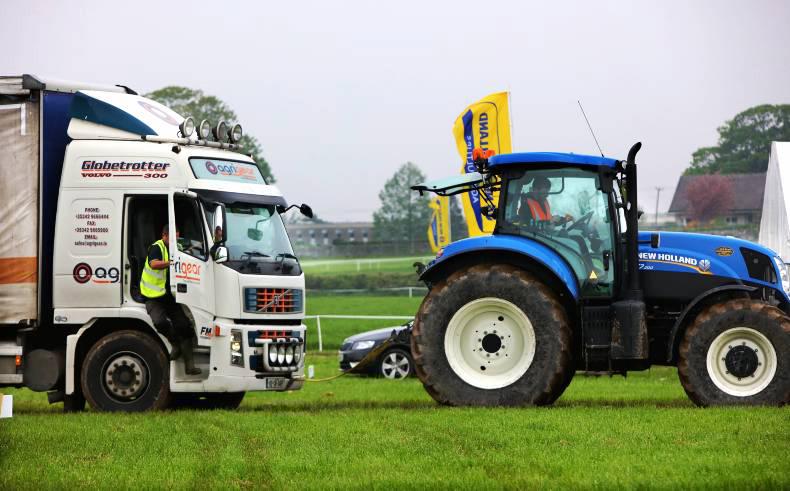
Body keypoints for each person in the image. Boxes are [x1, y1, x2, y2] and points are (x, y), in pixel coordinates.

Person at [140, 225, 202, 375]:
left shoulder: (178, 245)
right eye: (173, 238)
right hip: (152, 295)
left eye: (177, 238)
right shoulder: (157, 247)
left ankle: (190, 367)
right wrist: (172, 262)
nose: (176, 241)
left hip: (170, 295)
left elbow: (200, 246)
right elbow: (154, 264)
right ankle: (175, 344)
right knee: (159, 322)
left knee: (184, 325)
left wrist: (216, 239)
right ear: (164, 235)